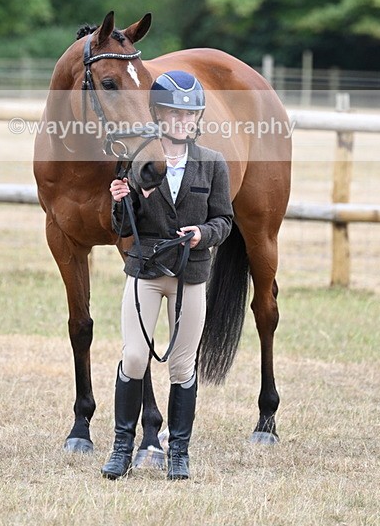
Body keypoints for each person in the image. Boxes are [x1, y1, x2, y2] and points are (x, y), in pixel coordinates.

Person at [101, 70, 233, 481]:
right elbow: (123, 228)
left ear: (196, 120)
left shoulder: (212, 164)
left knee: (181, 365)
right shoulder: (138, 162)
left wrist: (203, 234)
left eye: (188, 115)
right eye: (173, 114)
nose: (181, 122)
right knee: (135, 356)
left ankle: (179, 452)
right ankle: (123, 447)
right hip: (146, 269)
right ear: (157, 115)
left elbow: (225, 220)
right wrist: (122, 200)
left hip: (191, 273)